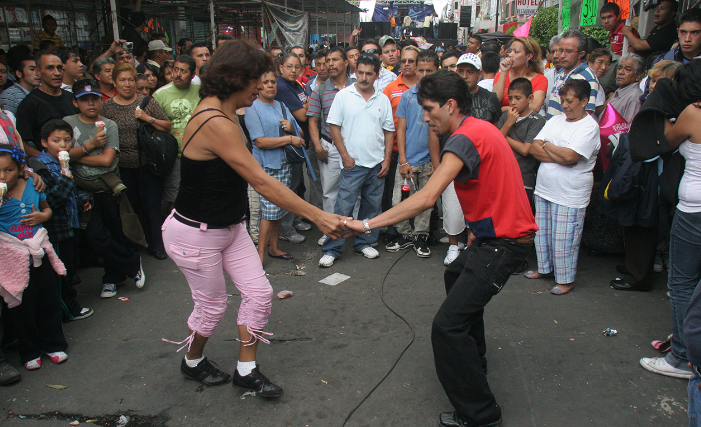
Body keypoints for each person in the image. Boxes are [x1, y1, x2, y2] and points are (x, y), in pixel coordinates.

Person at [343, 69, 537, 427]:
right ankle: (472, 364)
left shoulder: (463, 139)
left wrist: (366, 223)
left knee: (446, 326)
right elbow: (494, 185)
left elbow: (427, 197)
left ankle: (480, 414)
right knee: (455, 272)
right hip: (493, 238)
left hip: (506, 244)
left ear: (451, 105)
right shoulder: (480, 129)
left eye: (430, 109)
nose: (425, 117)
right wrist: (479, 230)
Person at [160, 40, 346, 395]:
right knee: (212, 307)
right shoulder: (215, 120)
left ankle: (247, 370)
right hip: (194, 234)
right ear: (236, 79)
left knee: (259, 295)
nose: (261, 86)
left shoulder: (228, 111)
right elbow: (261, 181)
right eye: (257, 79)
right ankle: (192, 362)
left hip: (229, 227)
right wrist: (318, 216)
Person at [639, 60, 701, 380]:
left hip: (694, 211)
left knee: (681, 283)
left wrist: (660, 105)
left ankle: (681, 358)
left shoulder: (693, 112)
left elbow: (665, 140)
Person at [64, 77, 145, 299]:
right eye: (84, 100)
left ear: (101, 100)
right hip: (81, 189)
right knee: (95, 236)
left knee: (114, 232)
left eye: (95, 99)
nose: (90, 104)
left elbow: (106, 161)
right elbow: (60, 155)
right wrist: (89, 147)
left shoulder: (109, 125)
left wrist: (76, 155)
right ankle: (131, 261)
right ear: (75, 103)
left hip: (107, 187)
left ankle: (111, 279)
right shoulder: (68, 123)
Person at [318, 54, 394, 267]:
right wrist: (344, 156)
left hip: (377, 164)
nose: (363, 77)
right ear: (355, 72)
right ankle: (332, 249)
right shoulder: (344, 96)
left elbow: (389, 132)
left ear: (377, 75)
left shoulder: (383, 99)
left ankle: (364, 243)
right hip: (352, 164)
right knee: (343, 209)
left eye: (369, 73)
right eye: (360, 72)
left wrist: (386, 160)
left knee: (371, 209)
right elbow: (333, 126)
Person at [526, 79, 600, 295]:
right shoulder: (555, 120)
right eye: (562, 100)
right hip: (545, 188)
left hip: (570, 193)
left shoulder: (589, 126)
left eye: (570, 101)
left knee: (564, 239)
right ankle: (545, 268)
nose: (565, 105)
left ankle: (566, 280)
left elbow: (571, 157)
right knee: (543, 236)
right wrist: (558, 153)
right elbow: (533, 148)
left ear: (584, 101)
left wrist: (547, 145)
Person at [0, 144, 68, 371]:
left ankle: (54, 344)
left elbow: (47, 209)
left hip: (39, 251)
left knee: (48, 300)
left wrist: (42, 216)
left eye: (8, 170)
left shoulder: (32, 184)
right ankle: (29, 351)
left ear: (20, 168)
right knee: (21, 306)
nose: (2, 176)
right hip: (13, 257)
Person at [104, 64, 171, 260]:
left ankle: (156, 245)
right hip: (121, 166)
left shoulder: (146, 102)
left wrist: (147, 118)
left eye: (131, 80)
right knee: (129, 208)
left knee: (152, 207)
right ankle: (132, 246)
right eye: (122, 80)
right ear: (115, 82)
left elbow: (166, 126)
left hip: (148, 164)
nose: (127, 84)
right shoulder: (107, 107)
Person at [35, 119, 93, 322]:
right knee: (60, 271)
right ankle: (67, 309)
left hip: (71, 223)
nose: (62, 145)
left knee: (69, 265)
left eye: (67, 140)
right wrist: (67, 179)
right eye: (56, 140)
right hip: (56, 228)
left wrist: (82, 199)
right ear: (44, 142)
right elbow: (51, 200)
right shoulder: (41, 168)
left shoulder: (63, 163)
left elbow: (73, 191)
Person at [245, 69, 305, 264]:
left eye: (273, 81)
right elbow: (260, 141)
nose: (270, 85)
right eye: (265, 81)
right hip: (265, 166)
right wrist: (289, 137)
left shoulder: (281, 105)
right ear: (258, 85)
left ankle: (275, 248)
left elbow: (300, 133)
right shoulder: (252, 107)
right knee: (269, 211)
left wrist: (291, 128)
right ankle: (260, 253)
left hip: (284, 164)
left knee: (280, 207)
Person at [386, 49, 440, 257]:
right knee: (398, 201)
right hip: (408, 161)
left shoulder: (441, 98)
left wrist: (436, 165)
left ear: (437, 71)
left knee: (426, 204)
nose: (425, 75)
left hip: (429, 161)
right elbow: (401, 129)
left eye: (429, 70)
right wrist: (403, 160)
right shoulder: (408, 97)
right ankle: (405, 235)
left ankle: (420, 236)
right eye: (421, 70)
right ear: (415, 71)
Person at [307, 47, 355, 247]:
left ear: (346, 63)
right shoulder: (320, 89)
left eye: (335, 60)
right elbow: (312, 121)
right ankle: (329, 230)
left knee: (356, 190)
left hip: (354, 144)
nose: (331, 64)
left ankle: (354, 229)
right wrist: (318, 145)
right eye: (328, 60)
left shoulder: (356, 86)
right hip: (330, 144)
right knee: (330, 191)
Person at [382, 46, 421, 241]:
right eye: (403, 60)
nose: (406, 64)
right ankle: (394, 229)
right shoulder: (391, 88)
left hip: (420, 152)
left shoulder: (425, 86)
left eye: (411, 61)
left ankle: (421, 231)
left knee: (419, 193)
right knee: (394, 193)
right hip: (396, 150)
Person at [152, 56, 199, 217]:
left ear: (193, 75)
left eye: (183, 71)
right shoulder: (160, 95)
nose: (178, 74)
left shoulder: (201, 91)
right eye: (175, 70)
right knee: (175, 198)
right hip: (175, 156)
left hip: (199, 153)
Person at [274, 52, 310, 244]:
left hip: (299, 141)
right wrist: (309, 105)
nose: (293, 70)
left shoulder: (295, 85)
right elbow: (303, 115)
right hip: (289, 144)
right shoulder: (282, 86)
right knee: (289, 187)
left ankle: (294, 221)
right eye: (289, 66)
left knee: (297, 185)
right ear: (280, 68)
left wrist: (307, 105)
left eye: (297, 67)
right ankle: (286, 230)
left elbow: (305, 108)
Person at [15, 51, 78, 157]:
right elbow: (22, 143)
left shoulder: (71, 97)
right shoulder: (29, 104)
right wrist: (47, 161)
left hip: (78, 159)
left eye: (59, 68)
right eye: (50, 68)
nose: (57, 73)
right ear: (38, 72)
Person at [497, 78, 546, 209]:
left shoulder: (537, 120)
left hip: (523, 178)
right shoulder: (506, 117)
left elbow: (526, 149)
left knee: (520, 218)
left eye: (518, 98)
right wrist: (508, 123)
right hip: (502, 176)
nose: (513, 102)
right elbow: (495, 144)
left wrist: (504, 137)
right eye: (511, 98)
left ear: (530, 98)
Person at [545, 29, 601, 119]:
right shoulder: (562, 72)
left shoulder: (587, 78)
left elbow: (585, 116)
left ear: (581, 54)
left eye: (568, 51)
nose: (562, 55)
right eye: (561, 50)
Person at [492, 37, 548, 113]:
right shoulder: (500, 75)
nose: (511, 55)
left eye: (516, 52)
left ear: (529, 56)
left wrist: (506, 109)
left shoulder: (540, 80)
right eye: (510, 51)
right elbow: (494, 101)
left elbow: (534, 107)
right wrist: (504, 72)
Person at [456, 53, 501, 125]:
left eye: (470, 72)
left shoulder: (490, 98)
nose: (464, 76)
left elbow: (496, 128)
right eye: (461, 71)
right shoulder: (449, 96)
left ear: (479, 74)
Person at [605, 53, 644, 124]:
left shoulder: (634, 98)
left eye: (628, 70)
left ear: (638, 75)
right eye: (619, 68)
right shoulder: (620, 92)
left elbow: (627, 129)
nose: (620, 72)